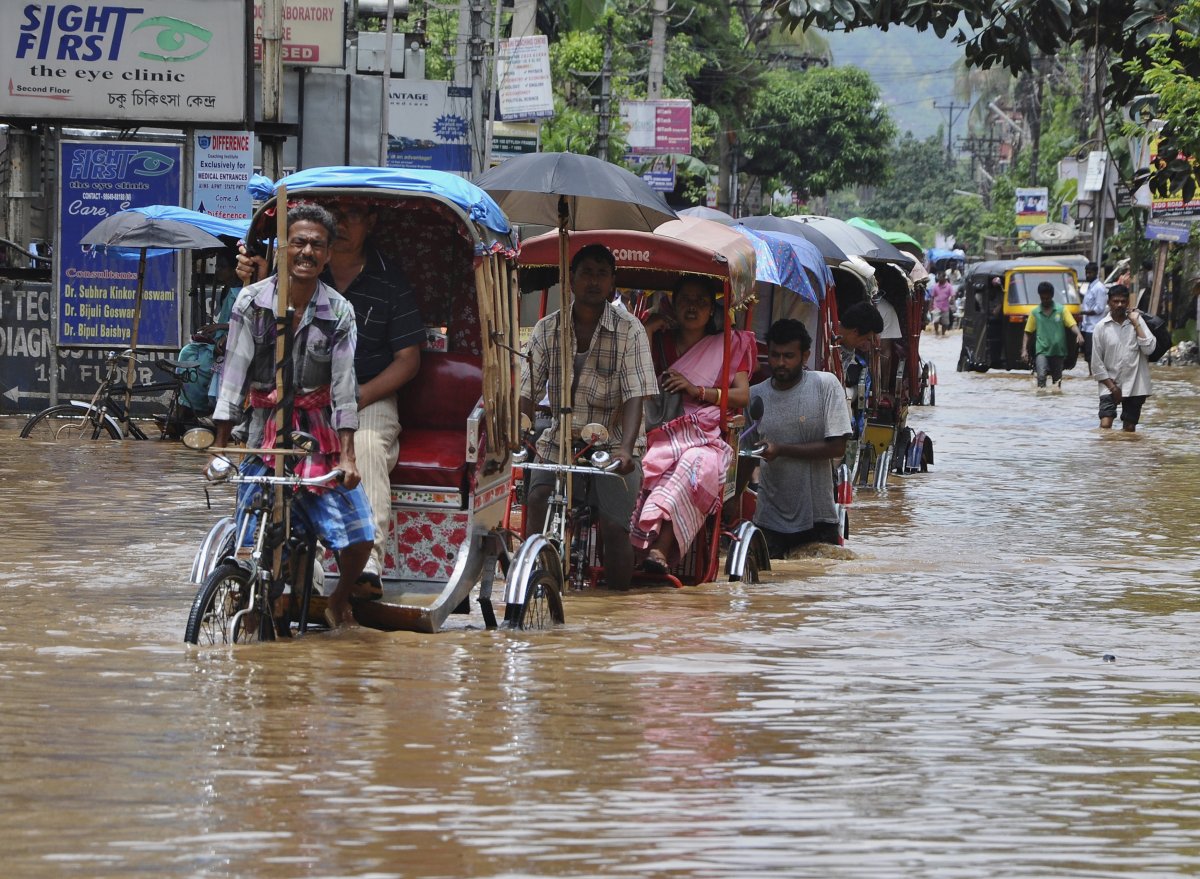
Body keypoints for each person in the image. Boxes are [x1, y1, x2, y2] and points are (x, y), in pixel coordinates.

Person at [240, 200, 424, 593]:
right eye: (334, 216)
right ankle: (283, 564)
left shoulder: (389, 281)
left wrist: (356, 398)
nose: (341, 225)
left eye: (352, 215)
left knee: (366, 446)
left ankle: (366, 566)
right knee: (260, 459)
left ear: (370, 222)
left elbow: (408, 360)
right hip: (292, 397)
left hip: (368, 393)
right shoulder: (286, 279)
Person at [212, 204, 374, 627]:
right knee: (249, 540)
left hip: (318, 432)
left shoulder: (339, 312)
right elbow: (233, 371)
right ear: (284, 248)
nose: (306, 252)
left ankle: (338, 600)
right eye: (298, 242)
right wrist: (221, 443)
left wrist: (348, 456)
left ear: (327, 254)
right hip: (263, 429)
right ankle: (251, 602)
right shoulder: (252, 302)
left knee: (360, 536)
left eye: (316, 245)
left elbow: (343, 387)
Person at [519, 243, 658, 591]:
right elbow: (527, 390)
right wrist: (517, 431)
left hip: (611, 443)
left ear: (613, 282)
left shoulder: (631, 330)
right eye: (586, 273)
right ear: (571, 280)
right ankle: (534, 580)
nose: (593, 282)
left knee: (614, 528)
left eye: (601, 274)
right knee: (536, 499)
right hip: (560, 438)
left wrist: (625, 450)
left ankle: (615, 608)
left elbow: (635, 394)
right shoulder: (547, 328)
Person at [631, 276, 755, 573]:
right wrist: (648, 331)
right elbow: (641, 382)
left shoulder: (730, 343)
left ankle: (660, 549)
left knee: (695, 463)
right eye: (686, 299)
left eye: (701, 301)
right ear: (673, 304)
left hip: (706, 435)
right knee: (637, 461)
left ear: (712, 309)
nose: (693, 307)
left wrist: (696, 390)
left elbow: (742, 395)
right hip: (657, 427)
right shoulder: (657, 339)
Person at [750, 319, 852, 557]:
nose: (781, 363)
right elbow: (748, 454)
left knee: (814, 590)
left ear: (805, 356)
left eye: (789, 356)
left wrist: (781, 449)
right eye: (775, 356)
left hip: (818, 518)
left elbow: (837, 447)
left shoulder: (825, 385)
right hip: (768, 519)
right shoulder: (756, 396)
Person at [1091, 284, 1154, 432]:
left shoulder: (1137, 322)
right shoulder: (1101, 327)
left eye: (1123, 301)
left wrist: (1136, 323)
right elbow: (1096, 363)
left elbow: (1149, 349)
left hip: (1135, 384)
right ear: (1109, 303)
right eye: (1115, 301)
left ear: (1128, 303)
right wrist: (1113, 388)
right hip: (1109, 383)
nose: (1119, 305)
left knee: (1129, 428)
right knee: (1105, 425)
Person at [1023, 281, 1084, 391]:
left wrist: (1079, 334)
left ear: (1052, 296)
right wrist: (1024, 350)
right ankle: (1042, 399)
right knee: (1041, 376)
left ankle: (1055, 401)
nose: (1045, 301)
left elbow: (1072, 324)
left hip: (1058, 351)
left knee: (1057, 381)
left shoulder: (1061, 310)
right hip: (1041, 350)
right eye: (1043, 298)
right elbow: (1027, 332)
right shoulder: (1035, 312)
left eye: (1047, 298)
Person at [838, 301, 883, 436]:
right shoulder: (826, 341)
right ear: (855, 332)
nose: (867, 344)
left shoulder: (848, 349)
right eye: (867, 339)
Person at [1079, 261, 1108, 372]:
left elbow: (1099, 308)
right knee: (1087, 354)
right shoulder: (1090, 287)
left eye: (1090, 273)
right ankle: (1092, 375)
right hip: (1086, 326)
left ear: (1096, 273)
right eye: (1086, 273)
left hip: (1094, 327)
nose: (1087, 275)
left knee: (1093, 355)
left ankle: (1095, 375)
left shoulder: (1099, 288)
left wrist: (1084, 313)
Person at [928, 272, 955, 336]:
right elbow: (932, 297)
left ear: (944, 278)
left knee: (945, 323)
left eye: (940, 277)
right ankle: (936, 332)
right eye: (938, 277)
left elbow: (953, 295)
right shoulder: (935, 286)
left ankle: (943, 334)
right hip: (936, 307)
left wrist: (952, 300)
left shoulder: (949, 286)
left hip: (945, 308)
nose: (939, 279)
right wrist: (930, 307)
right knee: (936, 321)